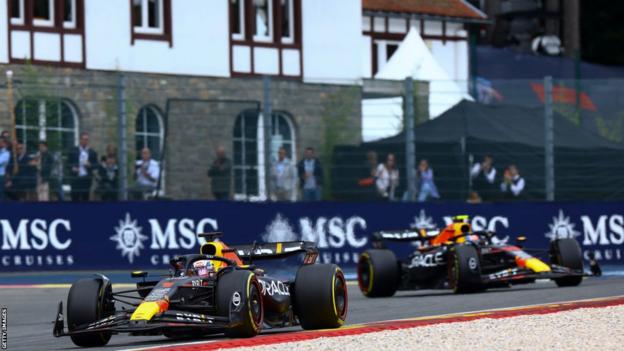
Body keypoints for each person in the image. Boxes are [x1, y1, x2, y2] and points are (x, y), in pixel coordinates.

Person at [68, 132, 98, 201]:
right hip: (75, 179)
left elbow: (96, 165)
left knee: (85, 199)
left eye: (87, 139)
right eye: (84, 139)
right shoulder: (73, 150)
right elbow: (67, 163)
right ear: (80, 140)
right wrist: (73, 168)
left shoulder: (92, 152)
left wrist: (90, 165)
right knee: (75, 199)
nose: (85, 141)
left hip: (86, 180)